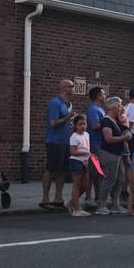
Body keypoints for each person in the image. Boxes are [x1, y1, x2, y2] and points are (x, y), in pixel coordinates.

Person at [41, 79, 74, 209]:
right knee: (51, 169)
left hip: (66, 141)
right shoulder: (55, 103)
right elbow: (53, 123)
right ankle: (45, 198)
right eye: (71, 86)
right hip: (55, 141)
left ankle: (58, 197)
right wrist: (67, 117)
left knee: (62, 170)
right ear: (65, 88)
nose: (73, 88)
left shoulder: (67, 104)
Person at [96, 97, 131, 215]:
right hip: (109, 153)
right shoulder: (106, 121)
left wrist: (126, 133)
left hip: (118, 153)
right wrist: (124, 137)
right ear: (113, 107)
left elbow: (126, 130)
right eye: (120, 105)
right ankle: (101, 205)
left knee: (120, 178)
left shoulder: (116, 120)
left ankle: (115, 204)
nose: (121, 108)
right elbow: (108, 139)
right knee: (110, 178)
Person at [85, 86, 106, 208]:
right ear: (98, 96)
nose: (105, 96)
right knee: (93, 173)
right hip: (94, 145)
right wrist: (107, 121)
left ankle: (98, 196)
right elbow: (94, 126)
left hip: (100, 145)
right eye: (103, 94)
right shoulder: (93, 109)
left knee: (99, 173)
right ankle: (88, 197)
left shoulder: (100, 109)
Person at [67, 115, 91, 217]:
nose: (82, 126)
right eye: (80, 124)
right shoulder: (74, 137)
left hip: (85, 162)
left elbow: (87, 149)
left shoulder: (87, 135)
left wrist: (87, 156)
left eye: (84, 124)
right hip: (76, 161)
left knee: (85, 185)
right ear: (75, 126)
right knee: (77, 185)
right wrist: (85, 153)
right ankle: (76, 209)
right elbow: (73, 152)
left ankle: (71, 202)